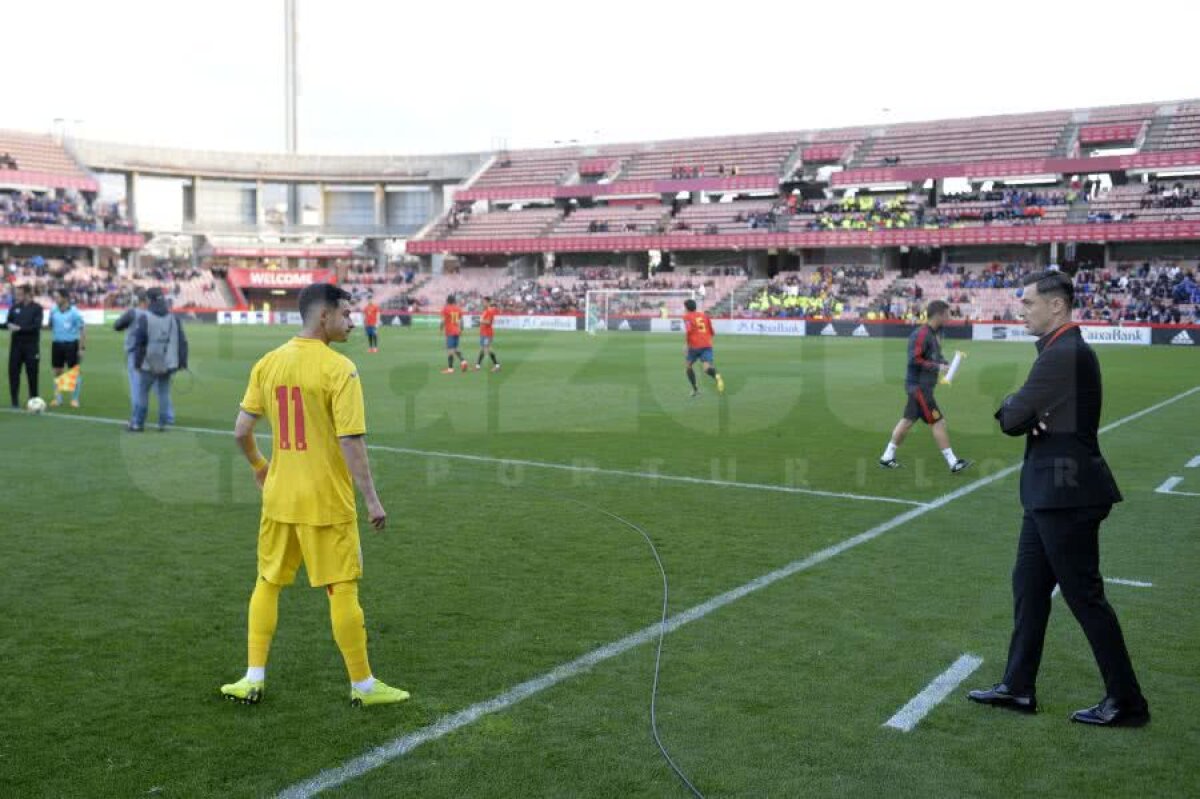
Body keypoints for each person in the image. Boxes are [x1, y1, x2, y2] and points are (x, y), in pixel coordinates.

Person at [968, 271, 1148, 727]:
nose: (1021, 312)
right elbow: (1024, 415)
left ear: (1056, 306)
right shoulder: (1060, 350)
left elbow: (1012, 418)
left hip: (1066, 496)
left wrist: (1017, 405)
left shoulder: (1063, 353)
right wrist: (1027, 410)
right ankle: (1017, 686)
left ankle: (1127, 701)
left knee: (1084, 597)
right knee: (1029, 589)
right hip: (1049, 494)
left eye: (1028, 303)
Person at [220, 282, 409, 708]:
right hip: (325, 500)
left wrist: (260, 467)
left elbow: (241, 430)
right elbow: (351, 440)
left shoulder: (268, 362)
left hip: (279, 497)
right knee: (342, 588)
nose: (352, 322)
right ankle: (363, 685)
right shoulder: (339, 369)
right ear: (324, 316)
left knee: (267, 582)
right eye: (346, 314)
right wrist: (372, 499)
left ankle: (252, 678)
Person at [879, 299, 971, 473]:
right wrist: (937, 367)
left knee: (907, 421)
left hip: (922, 387)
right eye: (948, 314)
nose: (950, 317)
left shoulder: (935, 333)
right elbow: (914, 359)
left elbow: (935, 356)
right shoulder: (921, 334)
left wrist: (945, 363)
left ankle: (887, 456)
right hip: (919, 387)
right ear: (939, 315)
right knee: (938, 421)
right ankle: (953, 462)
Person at [129, 288, 188, 432]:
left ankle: (138, 423)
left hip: (148, 362)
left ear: (149, 300)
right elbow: (182, 342)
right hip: (168, 362)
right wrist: (182, 362)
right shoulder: (173, 318)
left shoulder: (145, 317)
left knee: (143, 392)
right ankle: (163, 423)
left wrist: (137, 363)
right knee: (163, 393)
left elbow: (140, 342)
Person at [6, 284, 42, 408]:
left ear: (27, 294)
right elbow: (8, 322)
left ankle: (34, 401)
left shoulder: (37, 308)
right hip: (16, 346)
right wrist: (8, 325)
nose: (16, 296)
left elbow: (36, 327)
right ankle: (14, 401)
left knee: (32, 374)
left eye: (19, 294)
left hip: (31, 347)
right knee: (13, 373)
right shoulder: (15, 307)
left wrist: (20, 329)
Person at [112, 293, 148, 415]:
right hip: (152, 354)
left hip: (135, 352)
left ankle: (137, 417)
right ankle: (166, 417)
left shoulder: (133, 312)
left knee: (136, 386)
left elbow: (117, 325)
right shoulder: (152, 314)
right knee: (158, 389)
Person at [49, 290, 85, 408]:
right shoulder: (53, 311)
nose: (55, 299)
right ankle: (58, 399)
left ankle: (74, 399)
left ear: (65, 298)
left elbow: (82, 330)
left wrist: (81, 348)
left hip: (71, 344)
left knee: (73, 372)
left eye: (57, 297)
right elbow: (50, 326)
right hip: (57, 344)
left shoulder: (74, 312)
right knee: (57, 371)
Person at [682, 298, 724, 397]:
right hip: (706, 344)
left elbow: (689, 331)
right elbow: (712, 332)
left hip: (694, 345)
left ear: (686, 308)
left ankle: (695, 390)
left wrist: (686, 345)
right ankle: (717, 376)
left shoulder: (686, 317)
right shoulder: (704, 316)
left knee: (688, 366)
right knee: (707, 368)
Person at [440, 294, 468, 374]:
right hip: (457, 331)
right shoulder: (458, 308)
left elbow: (443, 320)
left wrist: (441, 328)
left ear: (447, 301)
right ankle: (463, 361)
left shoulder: (445, 308)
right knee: (455, 349)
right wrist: (461, 329)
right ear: (454, 301)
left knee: (450, 350)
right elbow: (461, 320)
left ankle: (450, 369)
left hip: (450, 331)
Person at [475, 296, 501, 372]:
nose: (483, 303)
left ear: (488, 302)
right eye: (483, 302)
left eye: (484, 302)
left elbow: (489, 322)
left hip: (487, 333)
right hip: (483, 333)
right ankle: (477, 366)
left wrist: (480, 321)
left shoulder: (489, 311)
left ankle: (497, 365)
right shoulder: (485, 311)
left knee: (487, 349)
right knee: (483, 349)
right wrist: (481, 322)